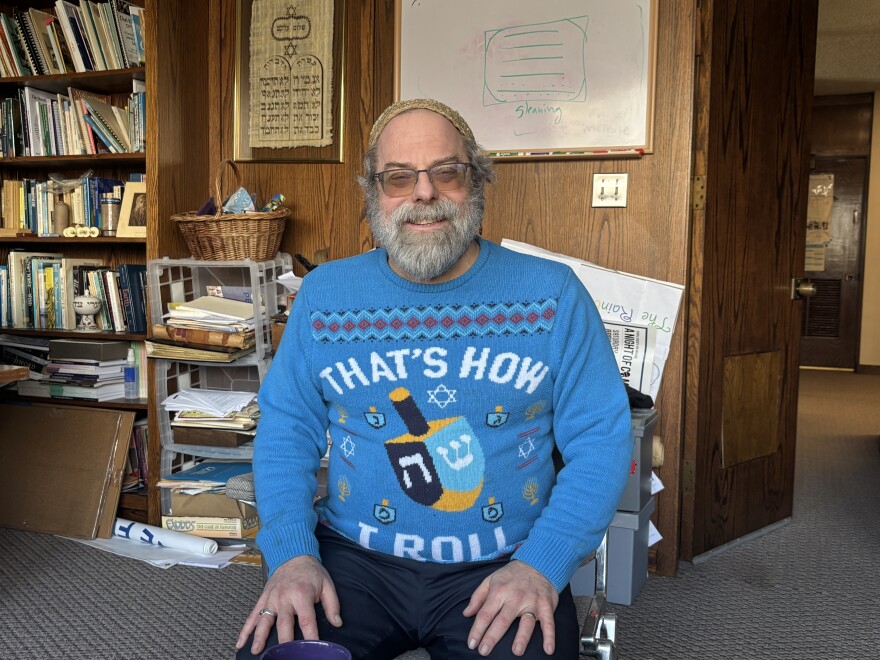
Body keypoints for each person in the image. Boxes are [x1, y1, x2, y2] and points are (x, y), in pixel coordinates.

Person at [236, 98, 632, 659]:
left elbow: (601, 441)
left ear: (477, 182)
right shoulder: (325, 294)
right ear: (374, 193)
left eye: (447, 172)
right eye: (399, 177)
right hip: (354, 560)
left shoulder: (553, 295)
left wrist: (542, 564)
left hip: (504, 563)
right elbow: (286, 432)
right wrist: (291, 554)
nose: (424, 194)